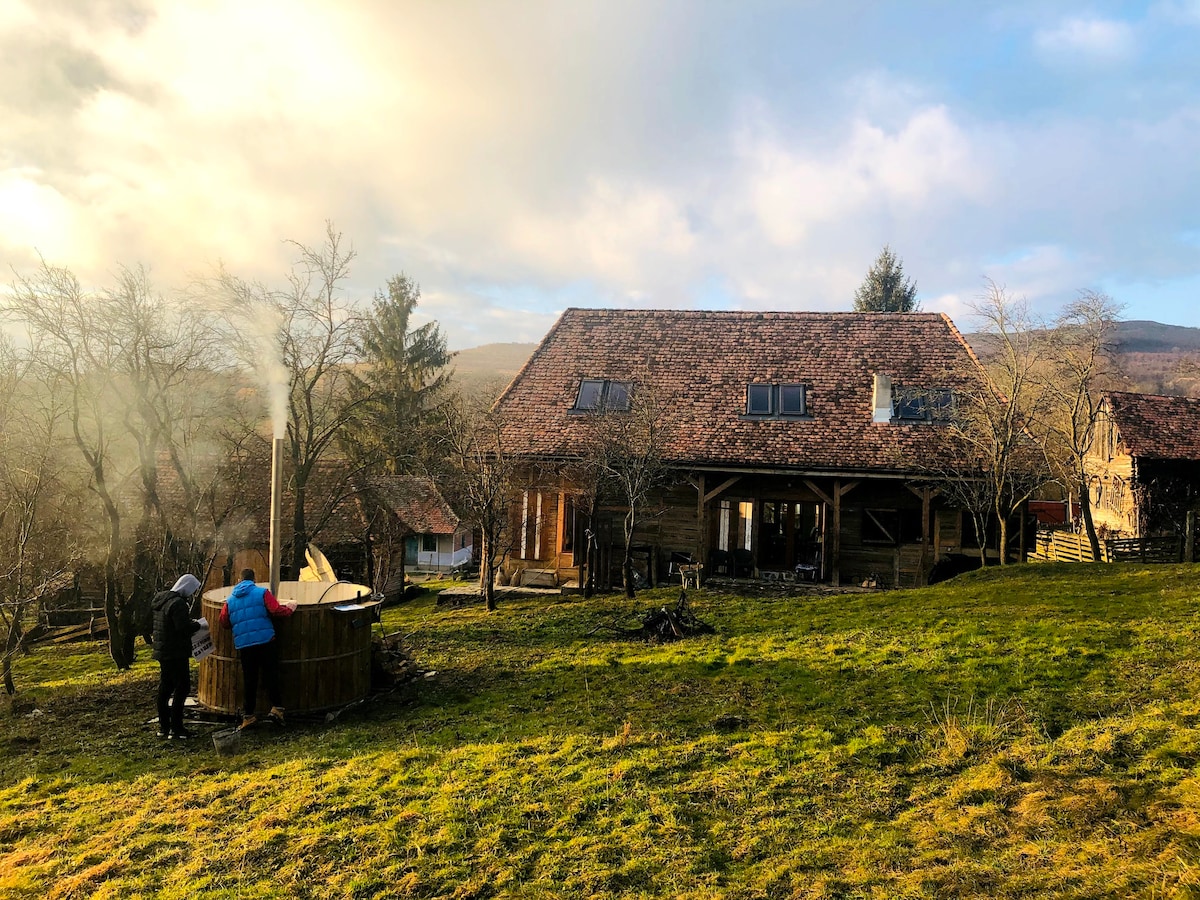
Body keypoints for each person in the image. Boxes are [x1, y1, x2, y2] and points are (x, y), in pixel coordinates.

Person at [219, 568, 296, 729]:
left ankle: (248, 716)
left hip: (245, 645)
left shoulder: (230, 600)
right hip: (265, 640)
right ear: (254, 579)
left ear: (239, 580)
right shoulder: (262, 593)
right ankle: (277, 709)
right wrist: (290, 608)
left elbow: (224, 622)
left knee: (250, 680)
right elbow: (276, 610)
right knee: (271, 675)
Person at [152, 574, 203, 740]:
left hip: (163, 650)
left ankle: (164, 727)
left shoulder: (162, 600)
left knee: (165, 688)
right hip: (176, 652)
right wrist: (198, 624)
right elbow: (182, 628)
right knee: (182, 688)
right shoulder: (178, 603)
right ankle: (177, 728)